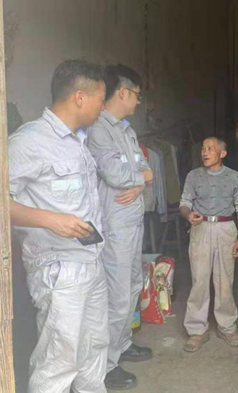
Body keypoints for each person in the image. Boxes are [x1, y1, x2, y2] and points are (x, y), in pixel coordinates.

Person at [9, 60, 109, 392]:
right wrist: (51, 220)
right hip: (59, 270)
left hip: (91, 262)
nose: (102, 107)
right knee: (58, 362)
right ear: (80, 97)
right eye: (100, 99)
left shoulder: (77, 142)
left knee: (93, 351)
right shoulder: (29, 142)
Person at [86, 64, 154, 390]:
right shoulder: (98, 129)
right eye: (137, 95)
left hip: (133, 218)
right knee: (116, 296)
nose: (138, 101)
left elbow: (145, 168)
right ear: (123, 92)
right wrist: (142, 178)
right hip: (114, 225)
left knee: (132, 286)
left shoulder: (127, 130)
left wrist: (139, 182)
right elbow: (114, 173)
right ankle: (107, 364)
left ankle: (123, 344)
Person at [180, 137, 238, 352]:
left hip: (226, 229)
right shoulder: (193, 176)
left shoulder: (235, 177)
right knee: (199, 279)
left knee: (225, 280)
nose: (205, 152)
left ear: (222, 153)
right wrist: (188, 215)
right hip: (200, 228)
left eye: (210, 149)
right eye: (203, 148)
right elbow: (185, 203)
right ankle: (197, 330)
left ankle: (227, 326)